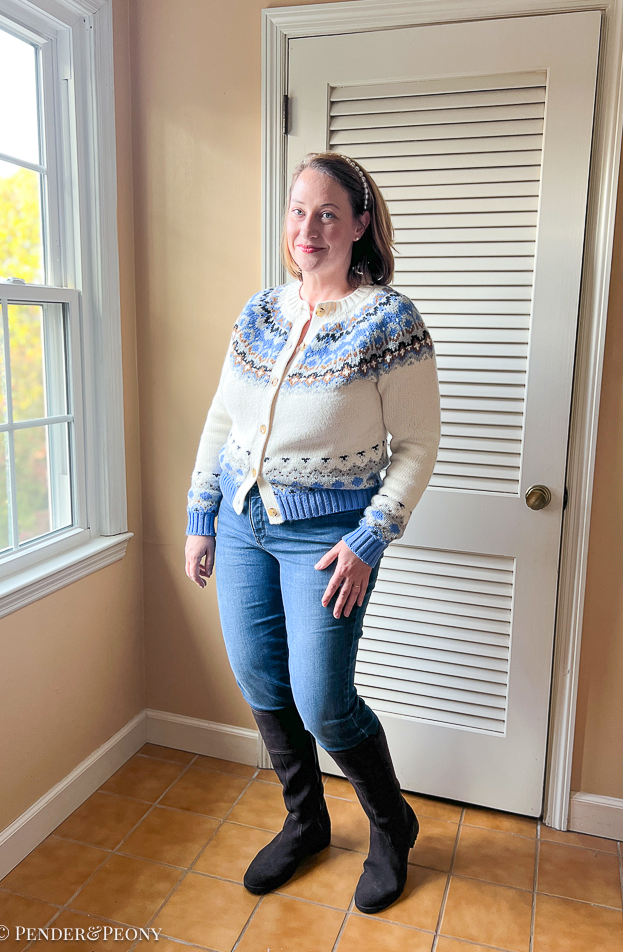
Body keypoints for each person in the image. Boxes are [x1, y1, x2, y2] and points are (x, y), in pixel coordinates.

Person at [184, 151, 441, 915]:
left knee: (325, 700)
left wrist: (370, 539)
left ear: (361, 224)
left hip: (326, 538)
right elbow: (223, 417)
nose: (309, 228)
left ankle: (393, 826)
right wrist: (203, 514)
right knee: (260, 680)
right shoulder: (261, 311)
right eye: (299, 211)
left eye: (328, 213)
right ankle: (308, 822)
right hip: (241, 524)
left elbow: (419, 446)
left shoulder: (389, 322)